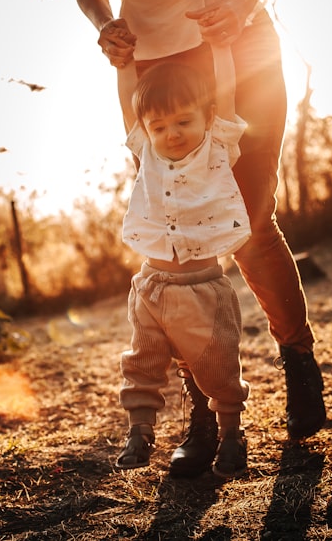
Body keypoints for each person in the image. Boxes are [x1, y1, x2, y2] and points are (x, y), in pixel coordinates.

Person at [0, 0, 326, 472]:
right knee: (177, 244)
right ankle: (202, 413)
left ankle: (297, 358)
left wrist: (243, 1)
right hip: (154, 76)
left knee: (246, 224)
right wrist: (104, 25)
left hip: (239, 47)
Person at [116, 58, 250, 478]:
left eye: (183, 121)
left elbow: (226, 92)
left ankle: (231, 436)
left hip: (203, 288)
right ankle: (140, 431)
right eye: (158, 127)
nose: (170, 134)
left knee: (218, 368)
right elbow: (127, 103)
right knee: (142, 362)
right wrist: (122, 65)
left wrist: (222, 46)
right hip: (151, 287)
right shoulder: (147, 153)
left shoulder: (218, 147)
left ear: (207, 117)